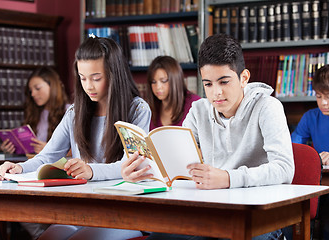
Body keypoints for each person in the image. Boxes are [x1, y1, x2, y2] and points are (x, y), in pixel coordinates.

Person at [121, 34, 295, 240]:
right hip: (213, 211)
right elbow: (174, 163)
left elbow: (285, 169)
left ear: (244, 78)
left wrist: (228, 178)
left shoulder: (267, 107)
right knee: (161, 237)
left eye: (224, 82)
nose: (216, 93)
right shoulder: (198, 110)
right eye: (208, 84)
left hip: (259, 215)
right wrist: (140, 171)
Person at [0, 35, 151, 240]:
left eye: (96, 78)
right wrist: (18, 168)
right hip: (82, 210)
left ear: (114, 74)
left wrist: (90, 171)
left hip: (122, 212)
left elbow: (129, 166)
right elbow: (47, 157)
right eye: (83, 78)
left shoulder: (137, 109)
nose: (89, 86)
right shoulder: (75, 113)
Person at [291, 64, 329, 240]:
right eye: (319, 96)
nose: (323, 103)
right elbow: (292, 148)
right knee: (290, 213)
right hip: (316, 187)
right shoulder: (310, 117)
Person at [0, 66, 70, 154]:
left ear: (52, 87)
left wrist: (50, 149)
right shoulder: (35, 113)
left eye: (37, 88)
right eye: (30, 91)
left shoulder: (69, 112)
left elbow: (79, 151)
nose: (33, 94)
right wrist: (11, 149)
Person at [146, 56, 200, 130]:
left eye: (164, 81)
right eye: (153, 82)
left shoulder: (194, 103)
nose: (158, 87)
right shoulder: (150, 108)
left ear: (175, 80)